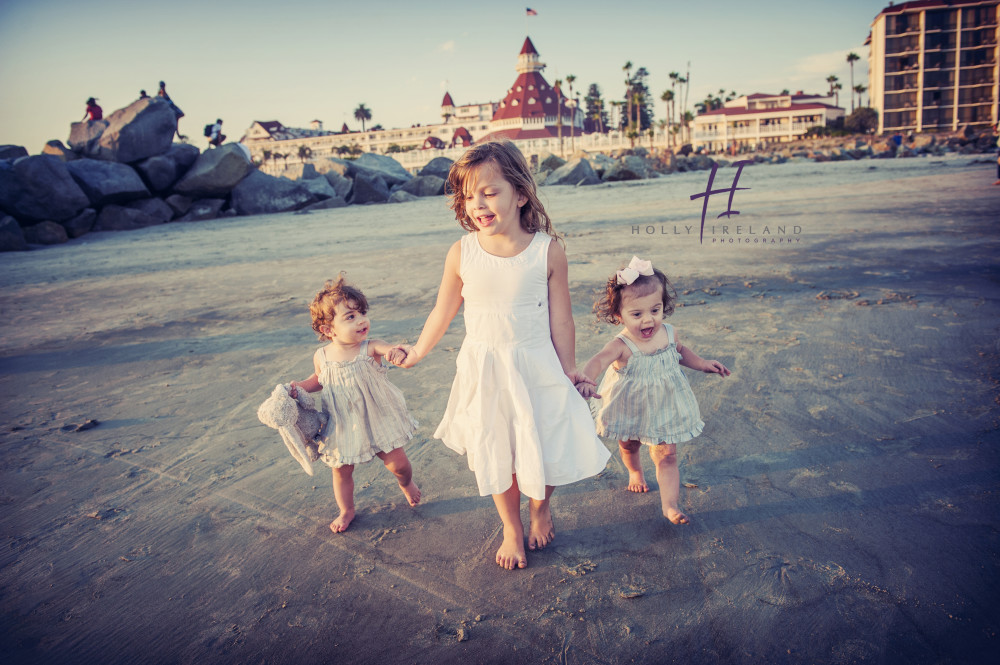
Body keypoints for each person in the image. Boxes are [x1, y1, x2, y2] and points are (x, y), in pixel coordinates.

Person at [390, 140, 611, 570]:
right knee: (497, 451)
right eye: (468, 196)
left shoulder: (547, 250)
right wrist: (417, 351)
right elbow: (443, 310)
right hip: (485, 369)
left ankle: (540, 507)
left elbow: (562, 320)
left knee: (543, 445)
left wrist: (570, 370)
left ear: (520, 194)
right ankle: (511, 527)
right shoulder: (462, 251)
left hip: (536, 365)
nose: (477, 204)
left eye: (489, 192)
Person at [575, 257, 730, 525]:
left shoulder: (669, 333)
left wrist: (703, 364)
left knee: (667, 455)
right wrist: (586, 378)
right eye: (637, 314)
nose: (648, 320)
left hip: (664, 406)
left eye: (655, 311)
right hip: (630, 406)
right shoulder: (621, 344)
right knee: (629, 444)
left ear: (663, 307)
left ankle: (670, 505)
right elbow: (599, 360)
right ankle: (635, 472)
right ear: (618, 315)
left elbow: (681, 352)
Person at [288, 276, 421, 534]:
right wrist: (299, 387)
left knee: (399, 465)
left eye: (361, 313)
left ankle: (407, 484)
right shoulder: (322, 356)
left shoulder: (370, 348)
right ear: (329, 330)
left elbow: (389, 348)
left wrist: (395, 352)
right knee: (340, 470)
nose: (361, 320)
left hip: (378, 418)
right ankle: (346, 510)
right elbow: (319, 380)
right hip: (342, 423)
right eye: (349, 317)